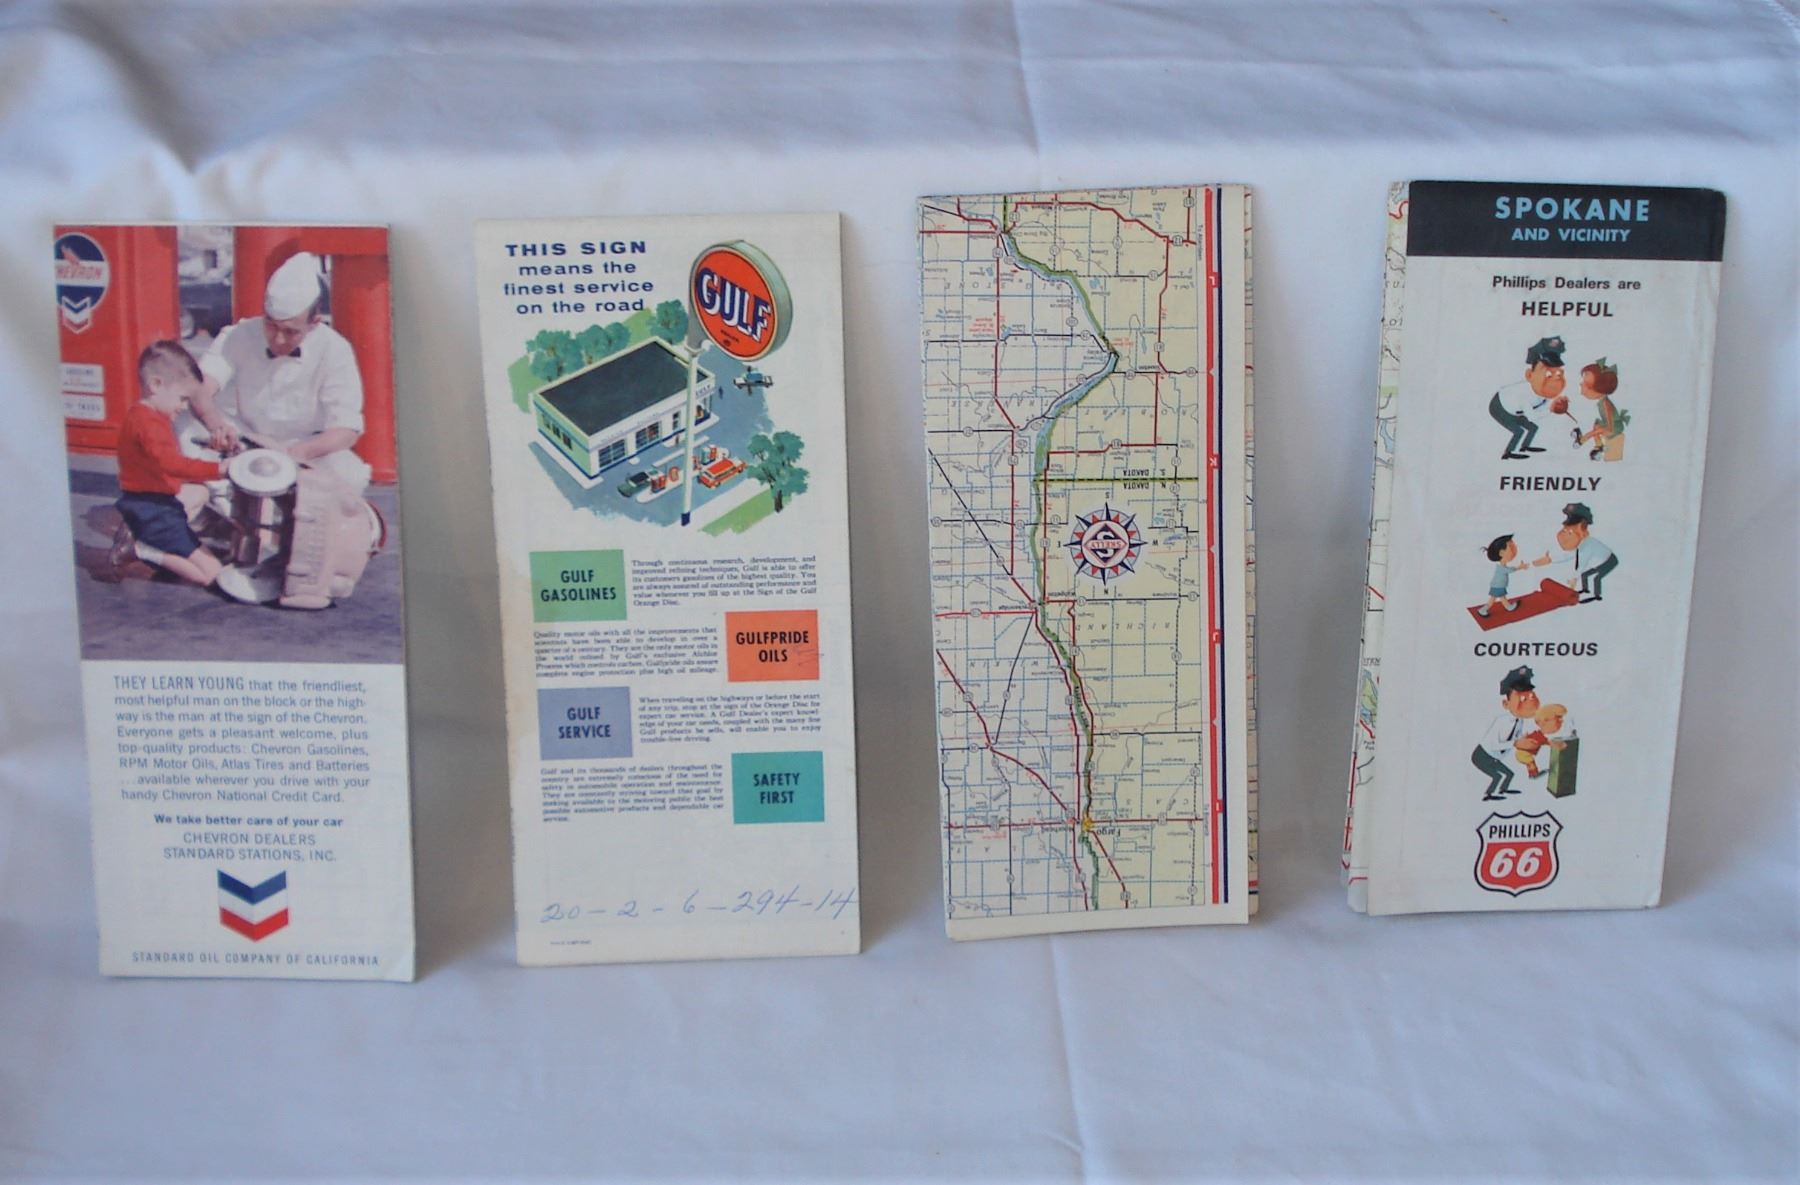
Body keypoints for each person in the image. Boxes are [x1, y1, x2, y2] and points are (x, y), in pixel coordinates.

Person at [185, 252, 370, 493]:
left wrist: (296, 453)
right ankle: (222, 503)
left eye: (291, 331)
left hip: (306, 446)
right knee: (184, 427)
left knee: (351, 474)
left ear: (314, 323)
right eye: (271, 325)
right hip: (245, 439)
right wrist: (217, 426)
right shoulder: (239, 334)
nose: (278, 339)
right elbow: (199, 388)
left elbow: (346, 429)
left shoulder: (335, 348)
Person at [108, 342, 229, 588]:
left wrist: (209, 447)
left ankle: (154, 545)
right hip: (155, 510)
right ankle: (142, 549)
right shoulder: (150, 424)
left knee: (199, 495)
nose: (184, 407)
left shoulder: (143, 415)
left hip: (149, 503)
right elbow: (172, 464)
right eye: (182, 399)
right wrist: (219, 470)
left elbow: (158, 457)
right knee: (214, 576)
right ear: (156, 385)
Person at [1489, 336, 1565, 460]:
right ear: (1529, 375)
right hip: (1499, 407)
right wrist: (1551, 409)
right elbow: (1532, 416)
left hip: (1516, 409)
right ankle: (1508, 453)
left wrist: (1555, 405)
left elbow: (1541, 407)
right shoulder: (1527, 395)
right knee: (1518, 431)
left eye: (1558, 374)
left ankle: (1525, 446)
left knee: (1533, 428)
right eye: (1548, 374)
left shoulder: (1543, 393)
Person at [1472, 665, 1539, 800]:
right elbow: (1495, 745)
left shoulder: (1520, 721)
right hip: (1482, 755)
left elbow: (1517, 737)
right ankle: (1488, 794)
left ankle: (1503, 790)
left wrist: (1525, 740)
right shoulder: (1501, 722)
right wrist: (1516, 743)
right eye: (1523, 699)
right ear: (1506, 704)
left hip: (1495, 757)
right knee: (1496, 776)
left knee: (1509, 774)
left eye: (1531, 696)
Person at [1541, 501, 1620, 604]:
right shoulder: (1581, 544)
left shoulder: (1588, 546)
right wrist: (1551, 560)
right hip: (1599, 562)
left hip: (1609, 561)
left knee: (1597, 578)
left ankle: (1597, 595)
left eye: (1570, 532)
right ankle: (1585, 590)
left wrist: (1574, 579)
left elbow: (1582, 565)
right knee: (1584, 575)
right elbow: (1568, 556)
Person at [1575, 358, 1628, 461]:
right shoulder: (1601, 402)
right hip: (1608, 425)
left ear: (1598, 388)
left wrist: (1591, 434)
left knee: (1597, 429)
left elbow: (1610, 427)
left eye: (1585, 383)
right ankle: (1598, 446)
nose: (1581, 384)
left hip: (1615, 427)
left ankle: (1583, 440)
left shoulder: (1605, 403)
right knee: (1597, 425)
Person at [1477, 533, 1529, 617]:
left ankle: (1508, 607)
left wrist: (1519, 567)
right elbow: (1509, 570)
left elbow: (1509, 569)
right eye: (1511, 548)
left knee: (1500, 598)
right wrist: (1520, 567)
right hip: (1498, 586)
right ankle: (1483, 610)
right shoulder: (1501, 568)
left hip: (1498, 585)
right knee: (1494, 599)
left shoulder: (1502, 567)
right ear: (1501, 553)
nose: (1515, 550)